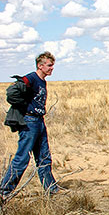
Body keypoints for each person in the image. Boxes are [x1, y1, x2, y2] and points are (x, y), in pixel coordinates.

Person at [1, 51, 64, 204]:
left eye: (52, 65)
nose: (52, 68)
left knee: (44, 157)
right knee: (22, 158)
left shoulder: (42, 81)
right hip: (29, 122)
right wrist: (24, 106)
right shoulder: (31, 78)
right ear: (40, 66)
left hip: (39, 121)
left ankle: (51, 189)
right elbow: (12, 93)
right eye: (49, 65)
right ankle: (4, 191)